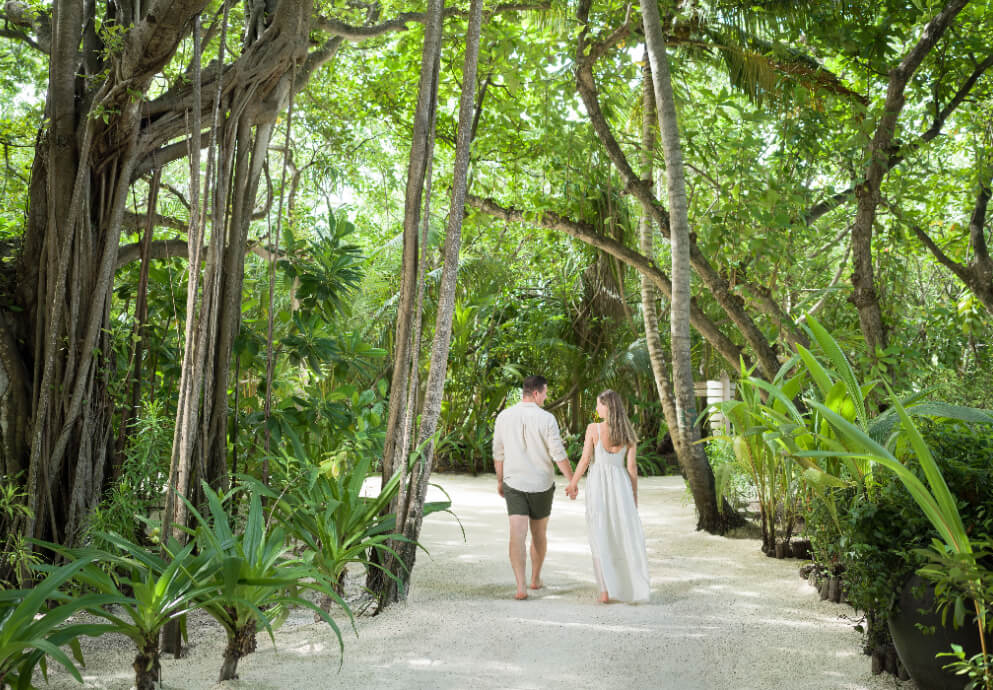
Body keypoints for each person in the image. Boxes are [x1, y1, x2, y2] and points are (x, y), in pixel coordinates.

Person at [493, 375, 576, 600]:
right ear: (537, 393)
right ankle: (535, 579)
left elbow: (498, 453)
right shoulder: (547, 419)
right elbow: (558, 453)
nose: (546, 396)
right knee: (539, 533)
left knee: (516, 534)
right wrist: (572, 480)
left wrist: (500, 480)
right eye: (545, 392)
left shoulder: (504, 417)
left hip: (514, 483)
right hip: (541, 484)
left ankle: (520, 587)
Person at [567, 390, 650, 603]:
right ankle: (628, 587)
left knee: (599, 532)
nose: (596, 409)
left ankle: (604, 591)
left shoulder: (593, 429)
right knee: (622, 534)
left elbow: (585, 460)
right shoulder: (628, 433)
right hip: (620, 486)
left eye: (599, 405)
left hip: (598, 486)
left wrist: (573, 483)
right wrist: (634, 498)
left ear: (608, 407)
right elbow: (631, 469)